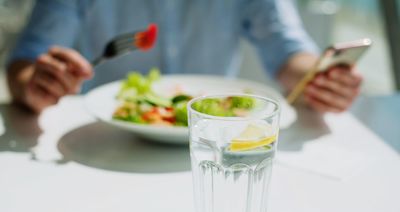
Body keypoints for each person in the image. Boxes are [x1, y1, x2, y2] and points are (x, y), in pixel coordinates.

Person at [6, 0, 362, 114]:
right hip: (102, 142)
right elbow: (27, 60)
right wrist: (35, 85)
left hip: (214, 146)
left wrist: (320, 79)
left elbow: (289, 52)